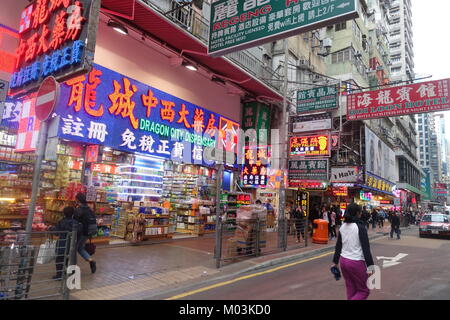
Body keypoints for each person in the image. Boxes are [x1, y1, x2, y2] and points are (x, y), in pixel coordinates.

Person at [332, 203, 375, 300]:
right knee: (364, 291)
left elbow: (338, 246)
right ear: (357, 213)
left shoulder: (343, 226)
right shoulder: (360, 227)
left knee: (351, 288)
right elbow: (366, 249)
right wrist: (371, 267)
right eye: (360, 212)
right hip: (356, 262)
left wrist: (335, 262)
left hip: (343, 261)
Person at [49, 207, 82, 280]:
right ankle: (67, 271)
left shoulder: (61, 222)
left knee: (59, 259)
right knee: (67, 258)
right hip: (71, 244)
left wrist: (51, 228)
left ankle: (59, 274)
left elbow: (57, 233)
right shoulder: (76, 223)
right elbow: (79, 232)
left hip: (62, 243)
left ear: (63, 213)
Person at [74, 193, 97, 273]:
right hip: (88, 232)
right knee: (80, 248)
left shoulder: (79, 209)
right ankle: (91, 260)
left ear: (78, 200)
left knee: (74, 249)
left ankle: (73, 267)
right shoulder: (89, 209)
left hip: (81, 232)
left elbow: (75, 221)